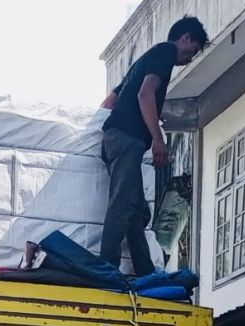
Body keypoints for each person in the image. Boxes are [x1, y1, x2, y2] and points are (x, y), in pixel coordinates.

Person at [99, 15, 209, 276]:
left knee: (137, 211)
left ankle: (145, 271)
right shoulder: (165, 52)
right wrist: (158, 140)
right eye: (191, 52)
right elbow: (145, 94)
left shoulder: (141, 63)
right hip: (127, 138)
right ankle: (105, 267)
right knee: (123, 203)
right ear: (184, 38)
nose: (188, 60)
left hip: (116, 138)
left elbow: (110, 102)